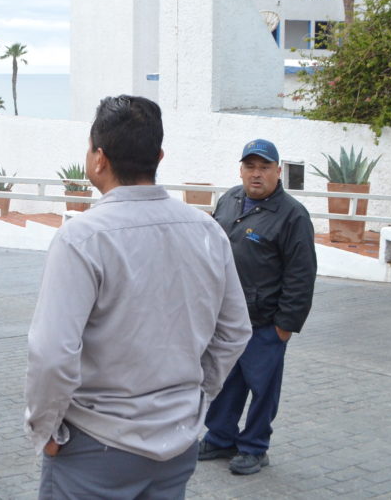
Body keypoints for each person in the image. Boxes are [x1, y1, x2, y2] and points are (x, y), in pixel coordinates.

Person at [25, 96, 251, 499]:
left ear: (98, 158)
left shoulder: (82, 238)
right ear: (159, 156)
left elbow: (52, 354)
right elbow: (234, 330)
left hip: (94, 445)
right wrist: (197, 397)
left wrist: (45, 429)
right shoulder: (207, 231)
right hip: (176, 445)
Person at [198, 139, 316, 475]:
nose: (256, 174)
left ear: (278, 172)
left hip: (265, 323)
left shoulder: (292, 215)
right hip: (225, 319)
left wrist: (286, 324)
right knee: (223, 381)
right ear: (241, 170)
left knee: (262, 389)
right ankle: (220, 438)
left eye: (264, 167)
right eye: (250, 166)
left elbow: (302, 274)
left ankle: (254, 447)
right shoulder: (229, 200)